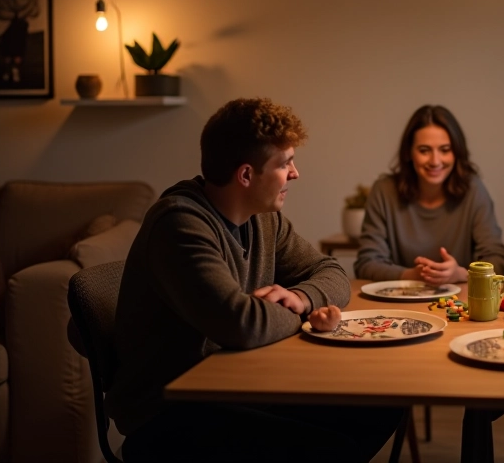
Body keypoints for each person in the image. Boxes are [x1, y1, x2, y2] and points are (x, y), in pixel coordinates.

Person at [107, 98, 402, 462]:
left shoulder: (262, 218)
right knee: (333, 447)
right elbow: (242, 324)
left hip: (236, 387)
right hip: (171, 413)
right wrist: (300, 314)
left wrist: (301, 297)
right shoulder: (179, 225)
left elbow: (333, 273)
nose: (295, 173)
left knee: (386, 401)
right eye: (284, 163)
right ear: (246, 175)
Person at [354, 104, 504, 283]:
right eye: (424, 150)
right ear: (409, 153)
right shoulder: (384, 191)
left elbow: (498, 261)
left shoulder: (473, 190)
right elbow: (366, 263)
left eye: (445, 150)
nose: (435, 161)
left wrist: (460, 274)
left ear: (457, 153)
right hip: (399, 304)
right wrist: (412, 276)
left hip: (459, 303)